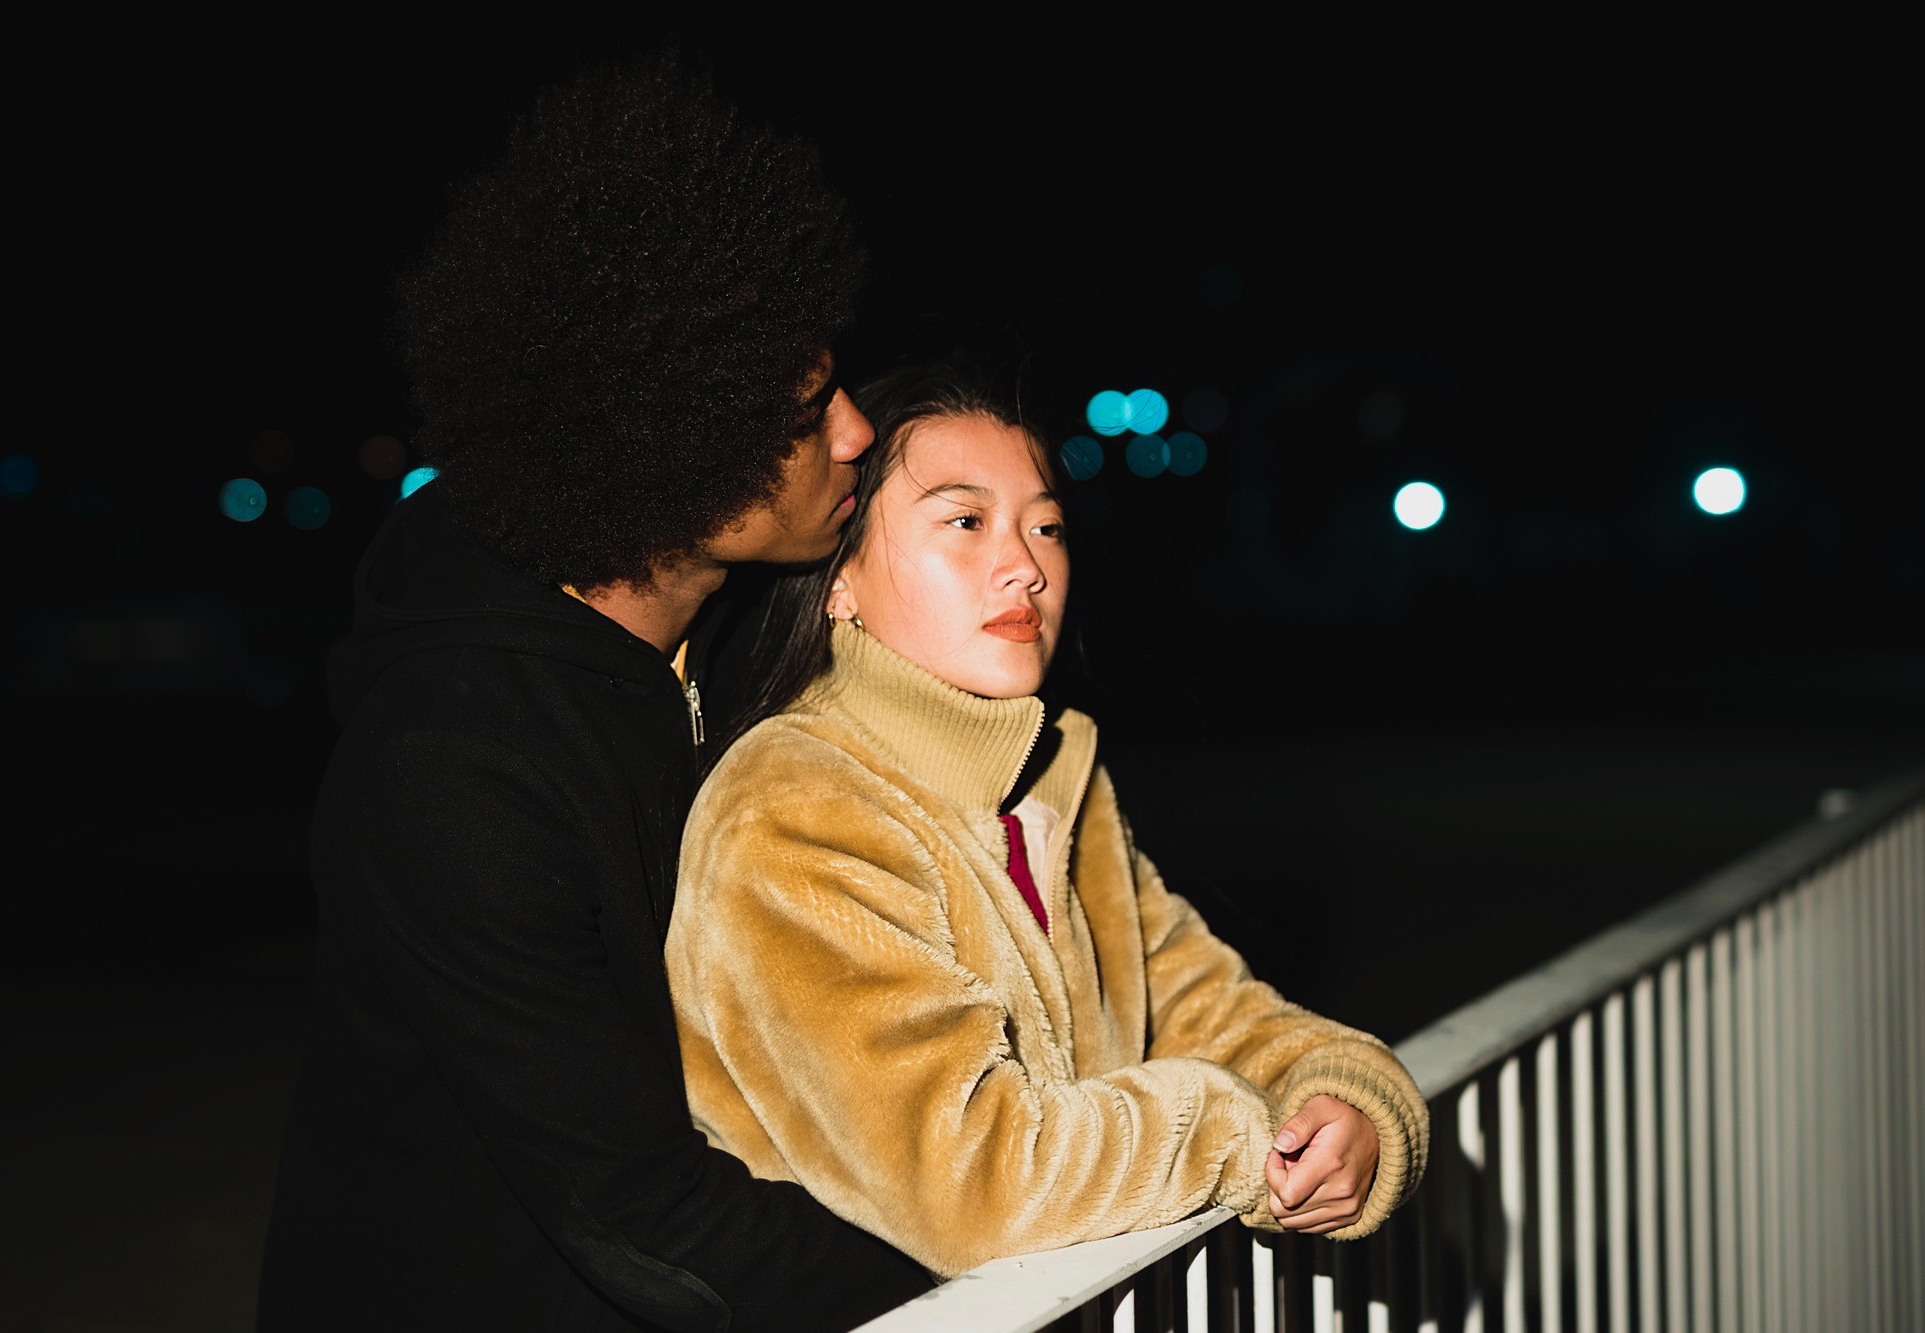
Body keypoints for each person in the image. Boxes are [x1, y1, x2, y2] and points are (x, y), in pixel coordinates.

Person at [256, 56, 934, 1331]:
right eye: (802, 409)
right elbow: (647, 1224)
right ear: (665, 439)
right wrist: (1006, 1266)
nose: (854, 431)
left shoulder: (748, 652)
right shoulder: (454, 767)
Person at [665, 362, 1430, 1279]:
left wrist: (1351, 1105)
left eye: (1046, 525)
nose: (1025, 565)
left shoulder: (1053, 780)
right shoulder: (793, 811)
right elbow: (979, 1179)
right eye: (966, 520)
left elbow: (1205, 1007)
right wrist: (1244, 1136)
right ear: (841, 583)